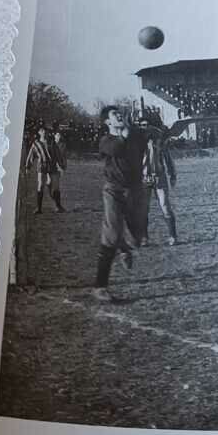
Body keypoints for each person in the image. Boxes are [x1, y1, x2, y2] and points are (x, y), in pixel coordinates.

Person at [93, 105, 149, 300]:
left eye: (120, 113)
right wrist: (125, 134)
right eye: (114, 115)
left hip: (135, 191)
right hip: (113, 191)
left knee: (137, 239)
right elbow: (117, 148)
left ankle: (124, 246)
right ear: (107, 122)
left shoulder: (133, 135)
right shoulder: (106, 141)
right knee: (110, 235)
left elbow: (149, 137)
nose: (119, 116)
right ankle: (100, 287)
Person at [141, 127, 178, 246]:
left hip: (159, 177)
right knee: (143, 209)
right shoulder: (137, 145)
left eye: (146, 125)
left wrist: (172, 175)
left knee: (165, 205)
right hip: (144, 178)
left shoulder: (160, 145)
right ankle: (144, 237)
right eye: (142, 125)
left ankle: (173, 236)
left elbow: (168, 161)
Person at [25, 121, 66, 214]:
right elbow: (31, 156)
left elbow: (58, 154)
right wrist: (28, 167)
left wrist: (61, 166)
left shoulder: (51, 142)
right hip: (42, 166)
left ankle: (58, 206)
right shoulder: (36, 144)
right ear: (39, 132)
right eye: (42, 130)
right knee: (40, 185)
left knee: (56, 186)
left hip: (52, 165)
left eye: (45, 130)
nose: (44, 132)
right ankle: (39, 208)